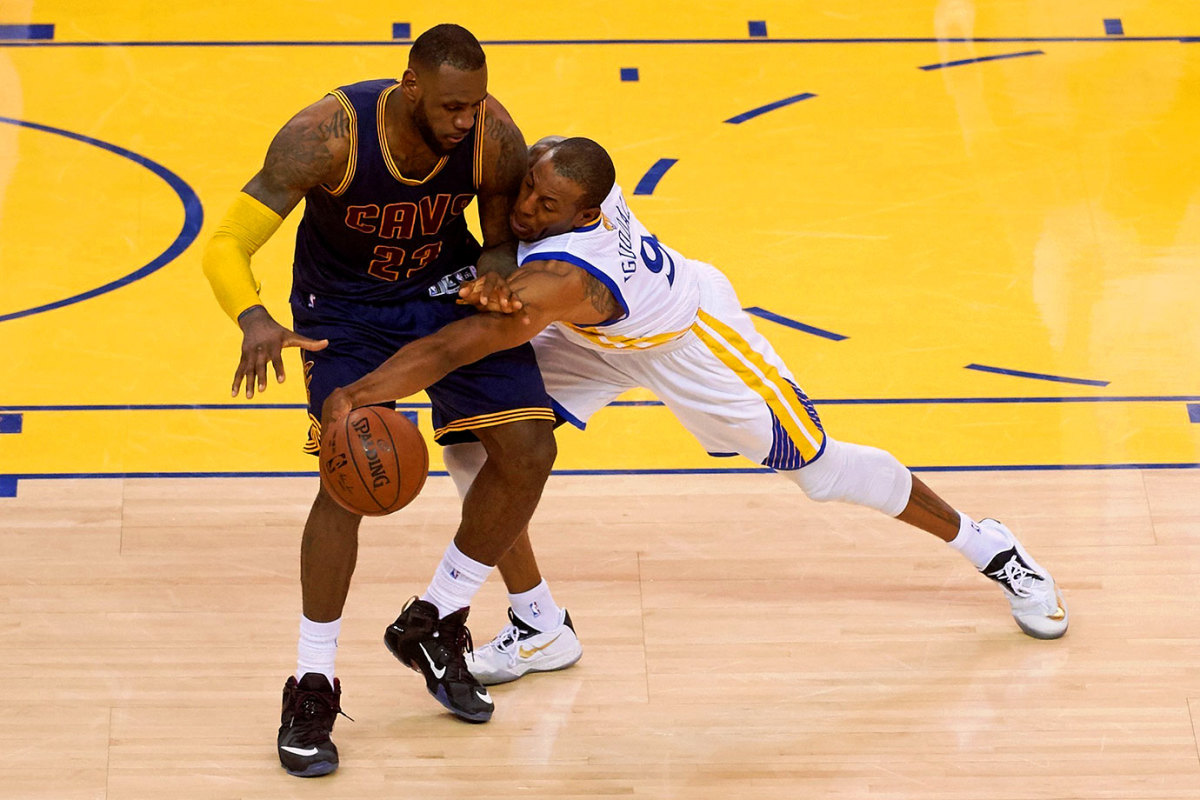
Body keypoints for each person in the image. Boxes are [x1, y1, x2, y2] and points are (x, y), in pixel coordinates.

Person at [321, 135, 1069, 688]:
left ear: (584, 211)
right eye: (526, 193)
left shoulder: (559, 277)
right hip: (595, 337)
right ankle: (538, 625)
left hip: (689, 337)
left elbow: (457, 345)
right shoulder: (563, 181)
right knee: (483, 446)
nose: (524, 208)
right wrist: (495, 261)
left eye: (545, 206)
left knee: (822, 471)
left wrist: (361, 392)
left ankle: (990, 546)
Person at [201, 25, 559, 778]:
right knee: (349, 477)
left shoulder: (492, 133)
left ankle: (435, 619)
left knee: (530, 450)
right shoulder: (328, 136)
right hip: (345, 312)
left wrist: (494, 275)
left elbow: (497, 240)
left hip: (444, 290)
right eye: (452, 106)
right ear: (410, 87)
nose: (467, 120)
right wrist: (254, 316)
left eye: (476, 103)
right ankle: (312, 680)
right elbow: (227, 239)